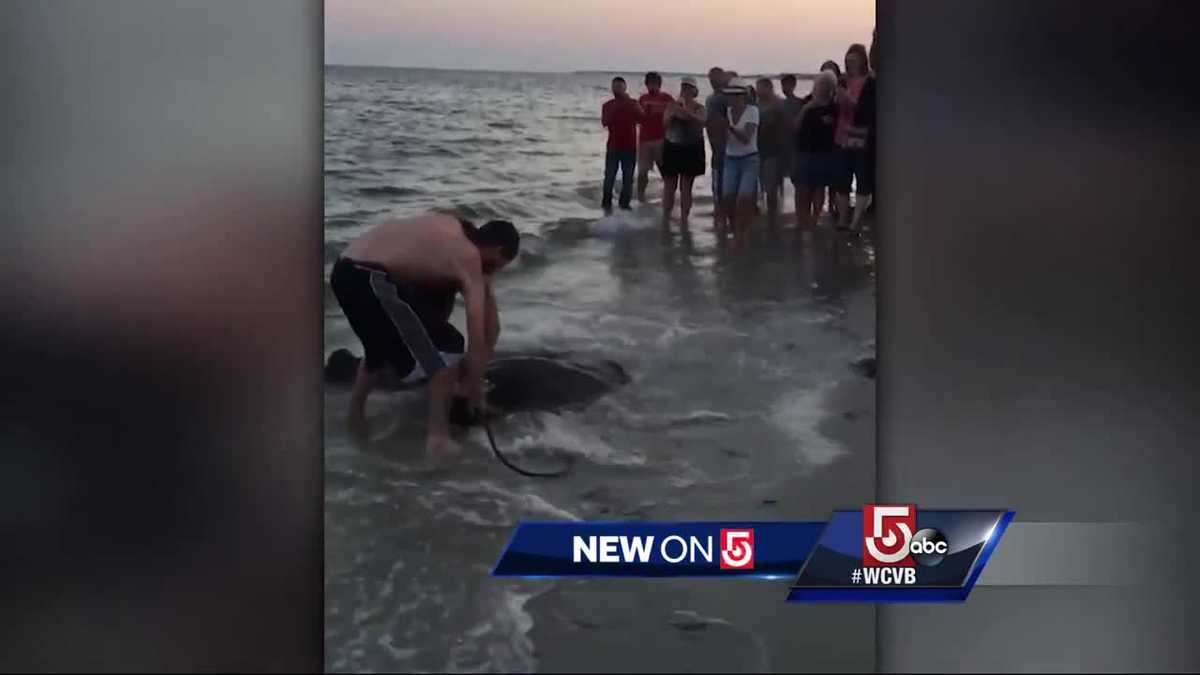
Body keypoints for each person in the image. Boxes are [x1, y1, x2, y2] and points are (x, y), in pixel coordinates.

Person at [330, 213, 520, 457]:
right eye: (495, 265)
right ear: (497, 248)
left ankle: (355, 419)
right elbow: (479, 330)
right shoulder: (468, 255)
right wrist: (475, 390)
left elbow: (445, 314)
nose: (490, 273)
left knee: (379, 350)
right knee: (448, 348)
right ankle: (438, 438)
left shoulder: (449, 231)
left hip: (343, 271)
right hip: (369, 276)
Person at [790, 71, 839, 229]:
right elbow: (795, 127)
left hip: (824, 152)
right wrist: (807, 108)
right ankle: (800, 220)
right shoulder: (806, 102)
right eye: (820, 84)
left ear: (832, 87)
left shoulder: (834, 106)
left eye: (826, 84)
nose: (822, 87)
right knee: (801, 188)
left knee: (819, 187)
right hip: (804, 151)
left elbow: (839, 127)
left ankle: (814, 219)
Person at [833, 44, 874, 231]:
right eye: (848, 57)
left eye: (854, 57)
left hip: (861, 136)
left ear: (862, 60)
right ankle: (842, 219)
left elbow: (867, 110)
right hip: (841, 136)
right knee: (842, 180)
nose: (850, 60)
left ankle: (856, 221)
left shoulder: (870, 81)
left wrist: (847, 99)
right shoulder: (842, 80)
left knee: (862, 180)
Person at [660, 75, 707, 228]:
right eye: (683, 87)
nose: (685, 90)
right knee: (669, 185)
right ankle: (666, 218)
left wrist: (685, 113)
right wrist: (674, 113)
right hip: (673, 146)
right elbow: (665, 124)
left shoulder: (700, 107)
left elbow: (701, 121)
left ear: (695, 91)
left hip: (692, 147)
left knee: (686, 186)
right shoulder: (672, 105)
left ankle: (684, 219)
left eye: (689, 88)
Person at [721, 77, 759, 242]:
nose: (733, 98)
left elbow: (746, 138)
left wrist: (728, 127)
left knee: (744, 197)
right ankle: (736, 227)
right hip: (730, 158)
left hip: (750, 159)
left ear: (743, 96)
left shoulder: (752, 111)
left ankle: (742, 233)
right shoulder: (726, 112)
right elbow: (720, 138)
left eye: (736, 95)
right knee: (727, 197)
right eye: (730, 95)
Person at [601, 76, 643, 212]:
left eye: (619, 86)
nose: (617, 89)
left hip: (629, 146)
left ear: (625, 88)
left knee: (628, 177)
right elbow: (605, 122)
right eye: (615, 86)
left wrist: (631, 104)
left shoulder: (633, 103)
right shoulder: (607, 105)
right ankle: (606, 204)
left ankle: (624, 205)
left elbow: (641, 119)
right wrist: (618, 107)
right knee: (609, 176)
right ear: (612, 88)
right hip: (613, 146)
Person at [636, 71, 674, 203]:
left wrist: (657, 110)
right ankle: (641, 198)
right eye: (650, 84)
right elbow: (638, 118)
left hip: (662, 140)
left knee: (666, 172)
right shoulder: (642, 99)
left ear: (659, 85)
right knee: (642, 173)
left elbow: (674, 114)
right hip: (644, 140)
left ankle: (669, 198)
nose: (652, 87)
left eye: (655, 84)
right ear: (646, 85)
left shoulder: (667, 98)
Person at [754, 78, 787, 222]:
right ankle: (767, 214)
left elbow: (785, 128)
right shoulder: (755, 105)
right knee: (761, 185)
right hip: (757, 149)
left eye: (760, 88)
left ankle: (773, 216)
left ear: (769, 88)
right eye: (757, 88)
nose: (758, 91)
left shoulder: (778, 105)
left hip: (774, 150)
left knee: (772, 186)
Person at [704, 67, 729, 228]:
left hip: (728, 146)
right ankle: (719, 211)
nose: (713, 81)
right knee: (718, 182)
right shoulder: (710, 98)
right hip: (716, 147)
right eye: (710, 79)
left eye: (716, 78)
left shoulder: (726, 97)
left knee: (726, 182)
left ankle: (724, 213)